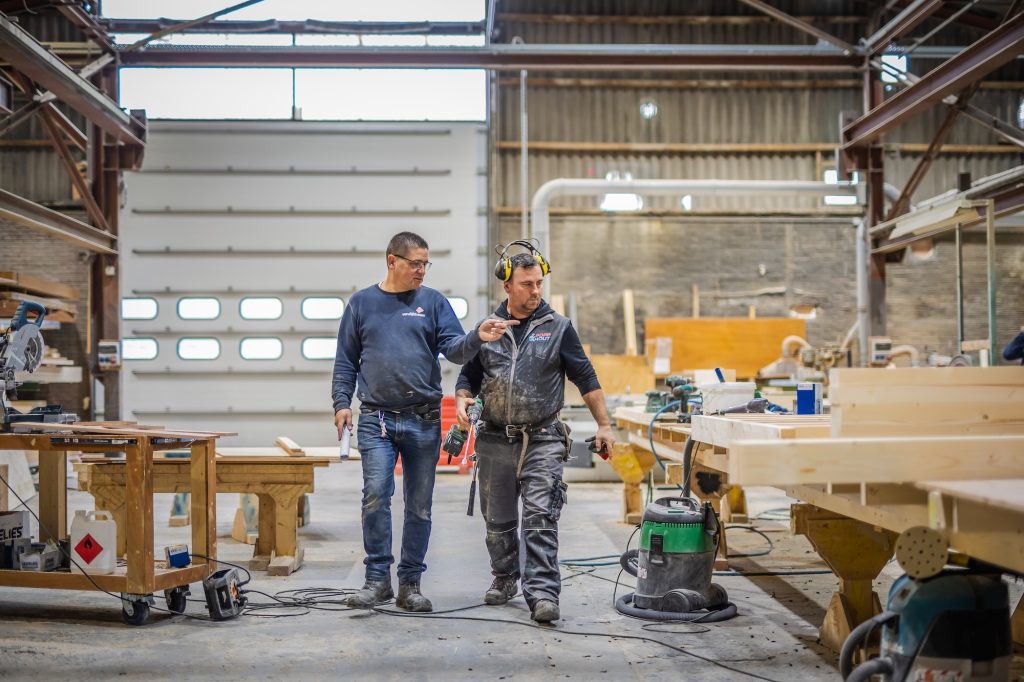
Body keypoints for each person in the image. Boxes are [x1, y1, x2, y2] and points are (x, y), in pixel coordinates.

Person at [333, 231, 514, 612]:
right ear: (391, 261)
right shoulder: (362, 304)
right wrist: (341, 403)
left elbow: (453, 349)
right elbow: (346, 360)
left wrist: (477, 337)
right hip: (376, 420)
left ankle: (409, 584)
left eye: (425, 264)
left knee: (419, 506)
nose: (421, 270)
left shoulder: (432, 303)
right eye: (415, 263)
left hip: (423, 421)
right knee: (376, 497)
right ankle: (377, 580)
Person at [455, 243, 615, 624]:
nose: (536, 290)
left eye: (539, 283)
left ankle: (543, 592)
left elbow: (586, 378)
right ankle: (505, 577)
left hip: (542, 437)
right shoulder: (488, 329)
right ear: (507, 286)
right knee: (498, 520)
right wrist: (462, 399)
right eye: (527, 284)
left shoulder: (558, 329)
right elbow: (468, 376)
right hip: (494, 438)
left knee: (541, 514)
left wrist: (604, 424)